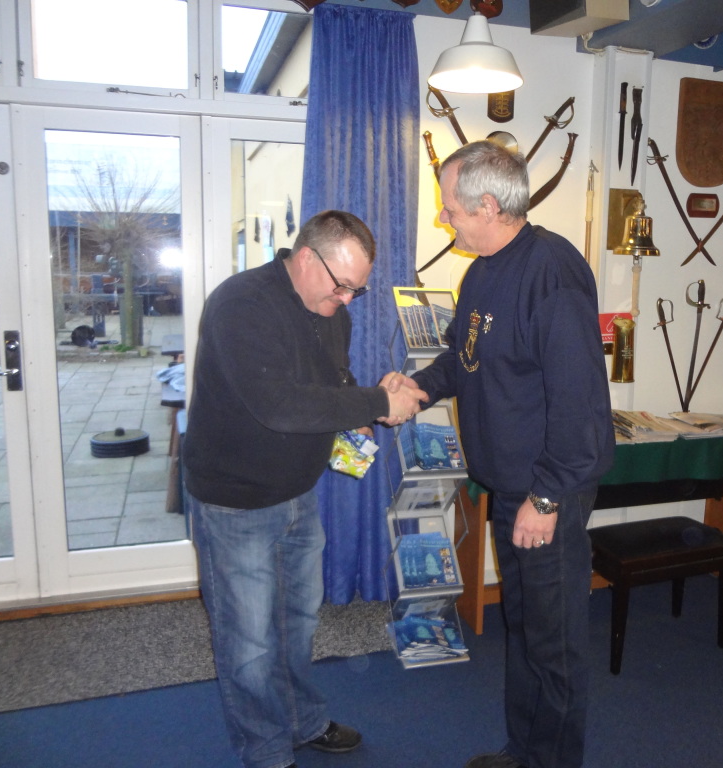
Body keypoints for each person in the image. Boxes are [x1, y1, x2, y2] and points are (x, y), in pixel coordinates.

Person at [182, 209, 428, 768]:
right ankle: (266, 751)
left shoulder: (332, 311)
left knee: (297, 625)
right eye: (342, 285)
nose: (347, 299)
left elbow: (330, 386)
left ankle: (300, 722)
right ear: (306, 257)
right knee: (249, 643)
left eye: (357, 289)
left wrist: (367, 405)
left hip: (298, 494)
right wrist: (374, 402)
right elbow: (279, 405)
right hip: (235, 502)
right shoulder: (241, 305)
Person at [410, 141, 614, 768]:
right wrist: (416, 389)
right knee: (523, 629)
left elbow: (579, 402)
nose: (444, 218)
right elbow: (463, 358)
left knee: (555, 646)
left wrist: (545, 499)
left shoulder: (552, 272)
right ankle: (524, 752)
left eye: (450, 209)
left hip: (548, 494)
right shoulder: (480, 272)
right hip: (509, 489)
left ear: (488, 207)